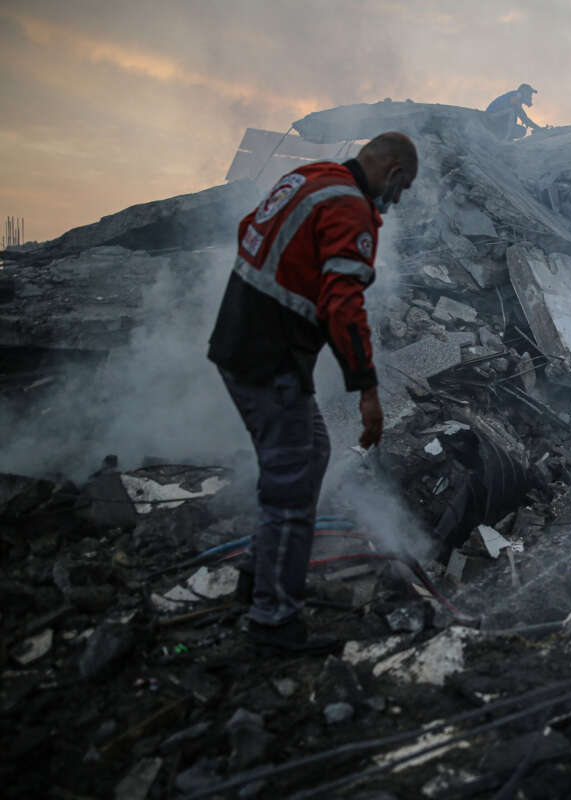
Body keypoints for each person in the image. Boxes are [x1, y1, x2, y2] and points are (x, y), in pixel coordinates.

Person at [207, 132, 419, 652]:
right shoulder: (351, 209)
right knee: (293, 482)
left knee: (310, 455)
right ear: (392, 172)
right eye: (403, 187)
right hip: (269, 358)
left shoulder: (309, 177)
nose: (397, 200)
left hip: (239, 342)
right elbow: (343, 306)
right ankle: (273, 622)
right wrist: (367, 390)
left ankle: (260, 577)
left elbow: (247, 231)